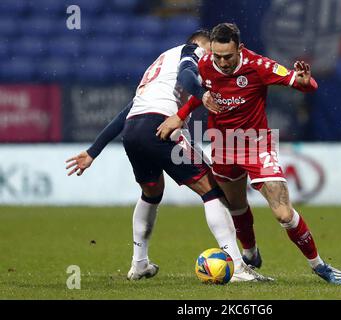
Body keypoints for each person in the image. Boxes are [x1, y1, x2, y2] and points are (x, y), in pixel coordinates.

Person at [65, 30, 270, 282]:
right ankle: (237, 267)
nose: (214, 59)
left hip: (134, 131)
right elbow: (186, 75)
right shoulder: (191, 52)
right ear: (199, 44)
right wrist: (201, 93)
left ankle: (139, 264)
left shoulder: (160, 65)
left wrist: (92, 151)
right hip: (160, 127)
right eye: (210, 50)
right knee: (212, 190)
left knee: (151, 193)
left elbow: (128, 112)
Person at [156, 23, 341, 284]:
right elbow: (201, 96)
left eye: (228, 57)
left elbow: (304, 83)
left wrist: (306, 82)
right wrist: (179, 116)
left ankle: (319, 265)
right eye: (218, 56)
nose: (222, 63)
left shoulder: (259, 66)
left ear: (240, 49)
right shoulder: (206, 66)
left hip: (256, 145)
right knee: (236, 206)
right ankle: (250, 252)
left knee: (283, 213)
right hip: (223, 144)